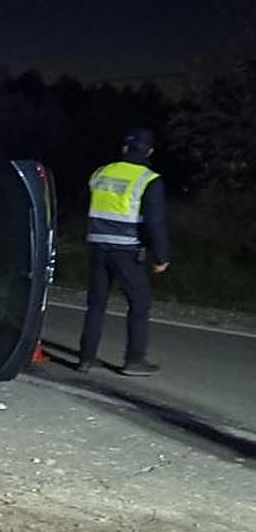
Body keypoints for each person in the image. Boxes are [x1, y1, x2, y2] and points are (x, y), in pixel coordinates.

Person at [77, 127, 171, 375]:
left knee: (96, 304)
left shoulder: (101, 172)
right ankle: (134, 360)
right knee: (140, 303)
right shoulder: (149, 179)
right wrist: (161, 256)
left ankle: (86, 358)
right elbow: (155, 222)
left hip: (97, 245)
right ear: (150, 151)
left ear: (124, 148)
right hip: (125, 249)